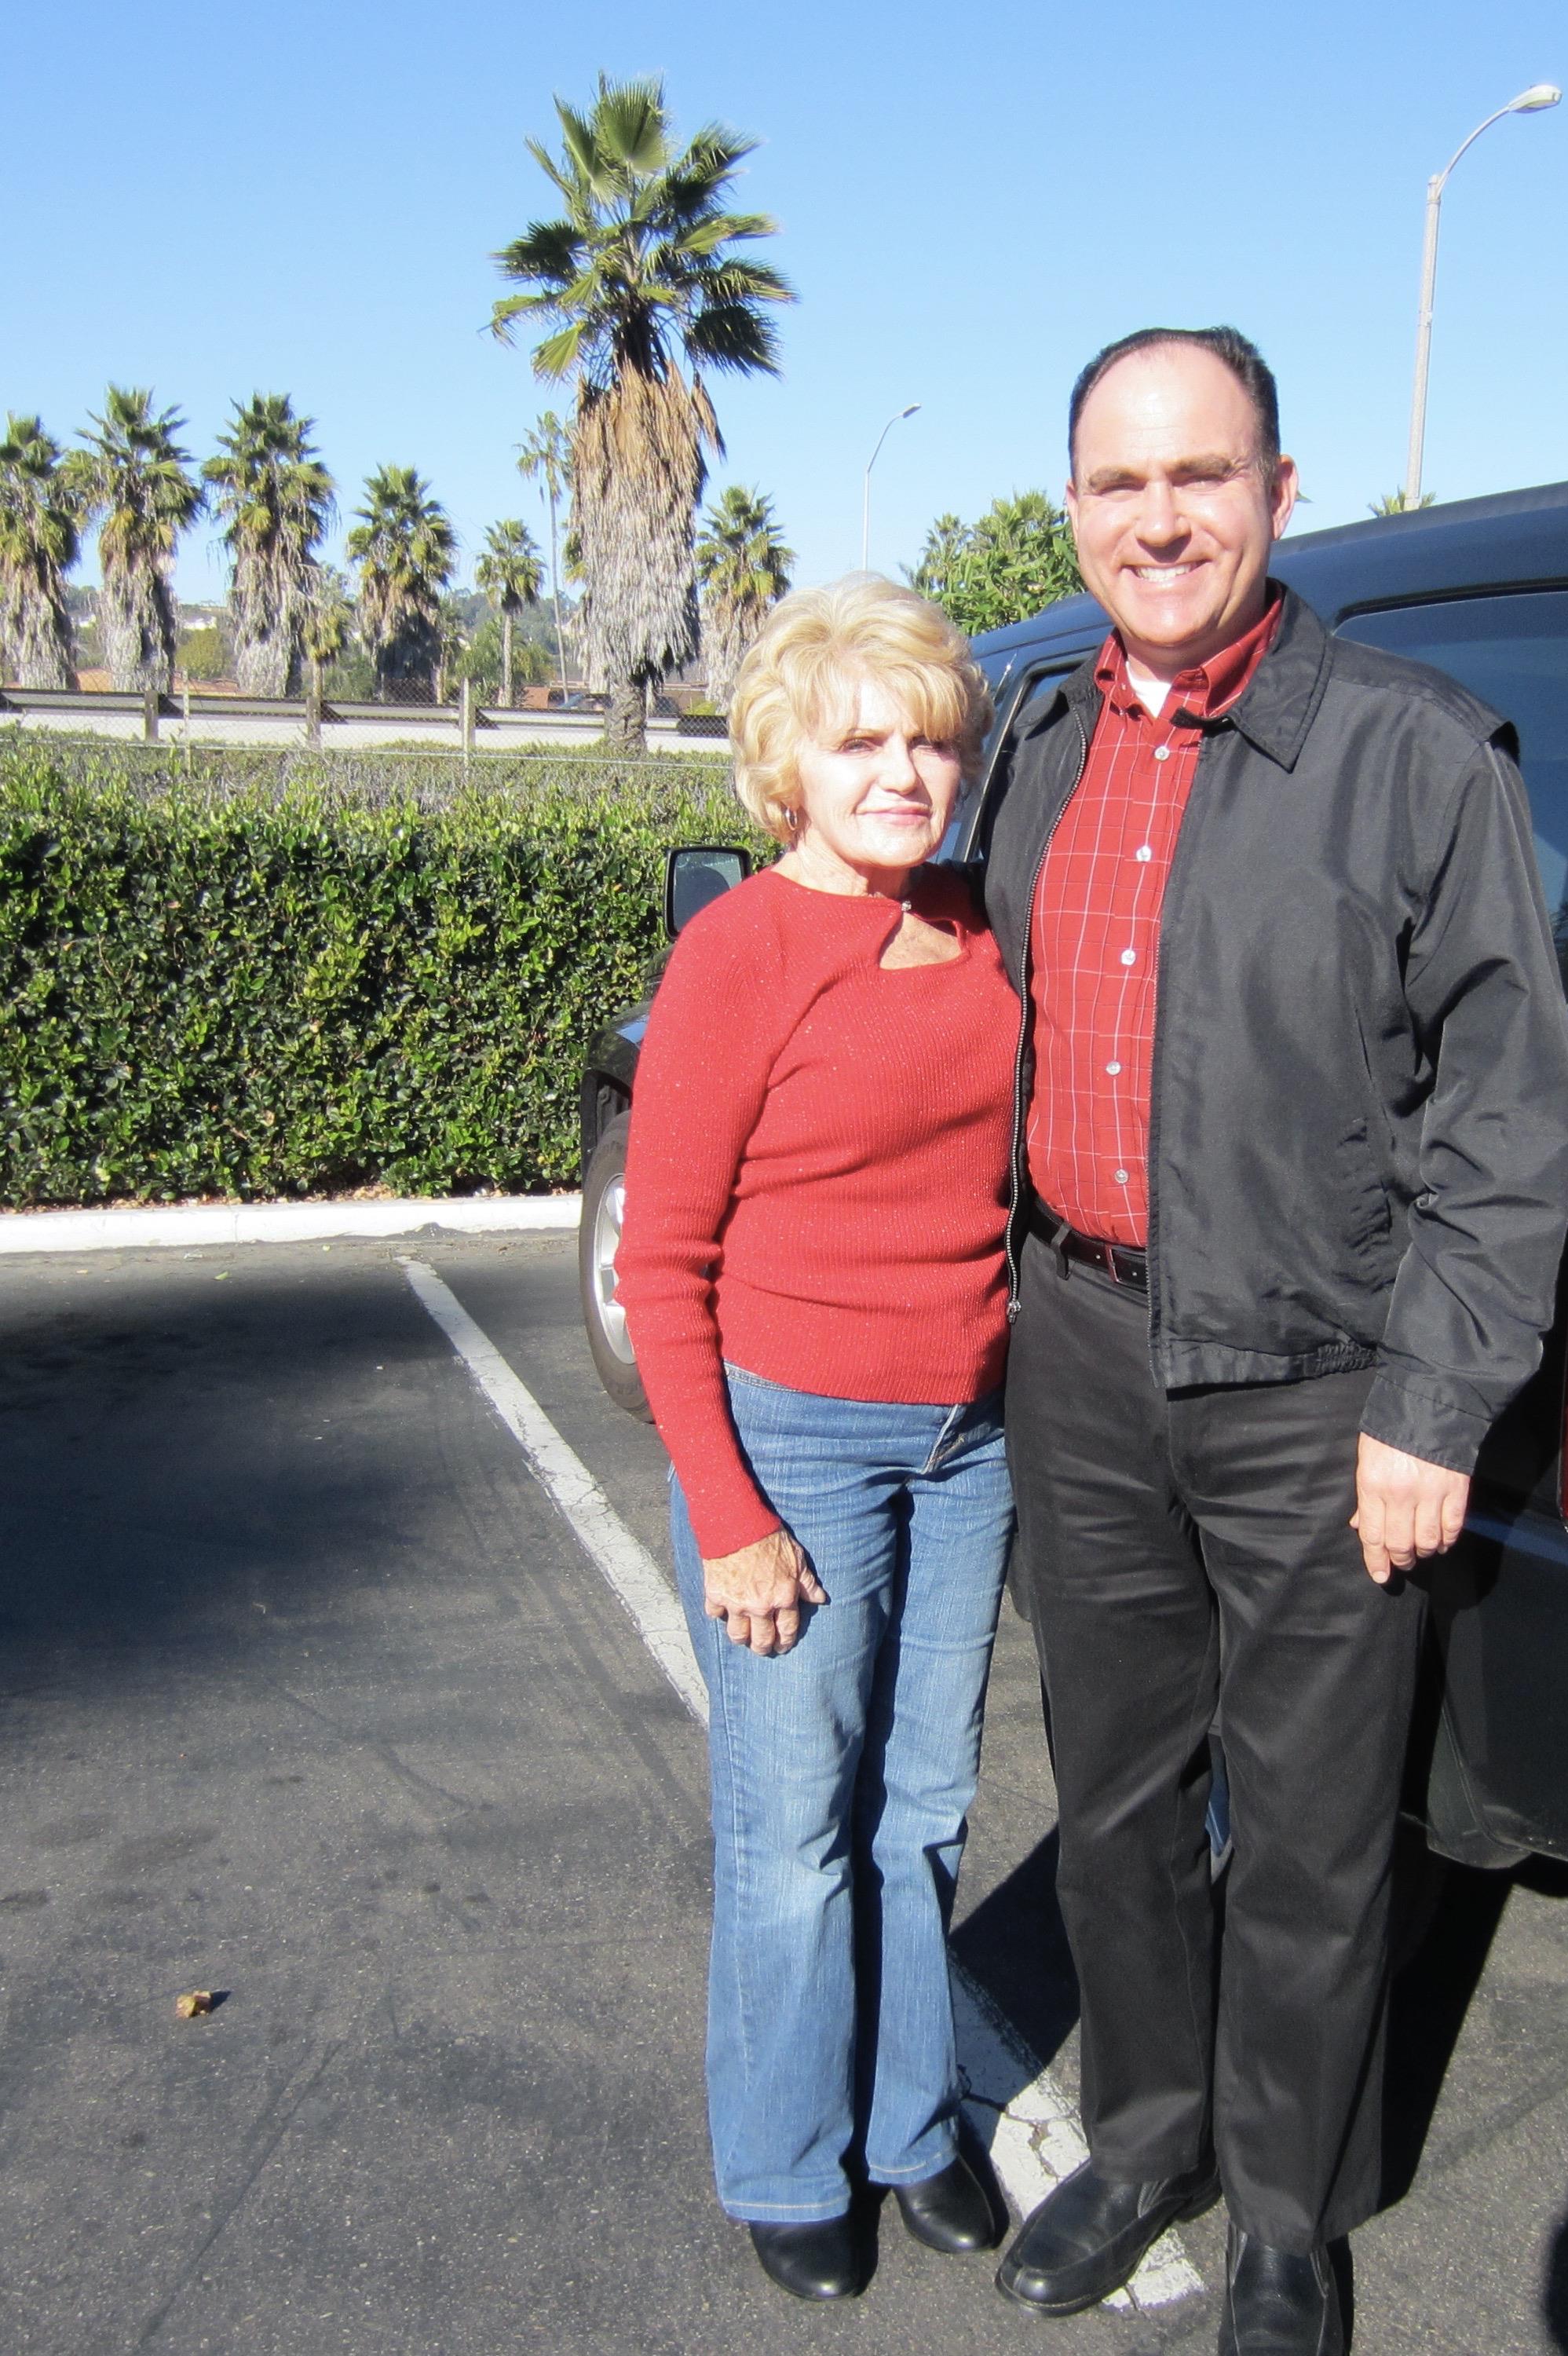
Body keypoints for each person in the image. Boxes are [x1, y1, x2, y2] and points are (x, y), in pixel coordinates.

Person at [982, 328, 1568, 2356]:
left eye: (1198, 477)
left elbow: (1506, 1115)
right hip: (1075, 1346)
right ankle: (1149, 2136)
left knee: (1316, 1825)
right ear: (1075, 507)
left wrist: (1430, 1405)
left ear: (1277, 491)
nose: (1156, 519)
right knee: (1115, 1793)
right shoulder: (1037, 744)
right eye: (1117, 484)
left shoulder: (1413, 753)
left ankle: (1285, 2221)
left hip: (1319, 1378)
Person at [616, 575, 1015, 2304]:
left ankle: (912, 2128)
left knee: (923, 1804)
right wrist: (725, 1513)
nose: (901, 774)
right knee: (792, 1828)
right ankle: (785, 2156)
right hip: (797, 1440)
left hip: (971, 1437)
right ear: (788, 764)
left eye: (927, 741)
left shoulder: (980, 924)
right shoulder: (743, 948)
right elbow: (662, 1257)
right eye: (861, 743)